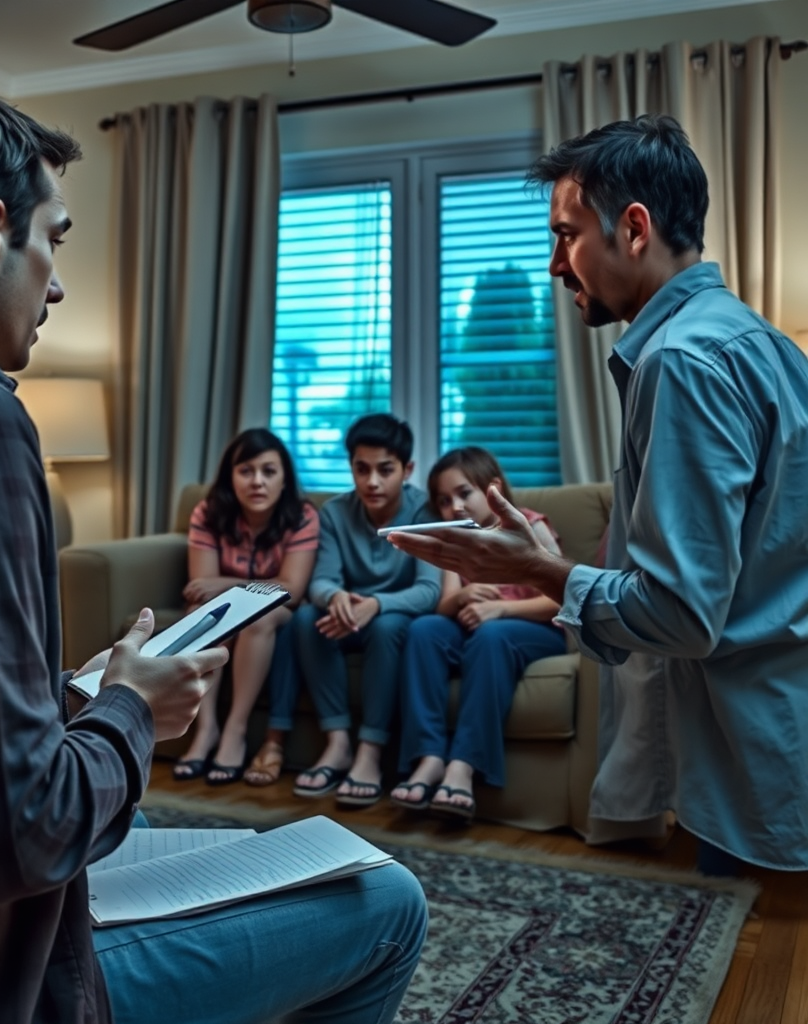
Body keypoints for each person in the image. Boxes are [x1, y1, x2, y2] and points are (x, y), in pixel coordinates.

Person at [0, 76, 428, 1024]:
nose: (56, 282)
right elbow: (15, 837)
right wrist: (132, 710)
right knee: (385, 902)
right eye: (54, 239)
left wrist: (75, 696)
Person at [386, 113, 808, 876]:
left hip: (755, 763)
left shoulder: (681, 363)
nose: (555, 263)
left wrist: (542, 569)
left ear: (635, 228)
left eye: (566, 234)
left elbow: (681, 613)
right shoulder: (765, 344)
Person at [390, 447, 566, 821]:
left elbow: (562, 599)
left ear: (493, 490)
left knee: (492, 635)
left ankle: (463, 767)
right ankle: (430, 757)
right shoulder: (454, 539)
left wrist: (500, 608)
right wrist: (465, 596)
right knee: (424, 629)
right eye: (443, 500)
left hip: (533, 631)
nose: (455, 506)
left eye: (464, 493)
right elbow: (444, 607)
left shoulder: (531, 527)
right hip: (478, 630)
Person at [291, 413, 442, 807]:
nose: (372, 481)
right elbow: (321, 580)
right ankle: (338, 741)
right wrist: (334, 598)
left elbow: (429, 590)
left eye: (385, 470)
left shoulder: (426, 512)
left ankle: (370, 751)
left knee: (387, 625)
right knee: (307, 617)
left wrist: (376, 604)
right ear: (351, 468)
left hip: (392, 620)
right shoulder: (335, 513)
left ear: (407, 470)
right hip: (347, 619)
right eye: (362, 469)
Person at [172, 427, 319, 785]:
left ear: (284, 479)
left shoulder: (302, 515)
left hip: (277, 612)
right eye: (246, 471)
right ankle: (205, 730)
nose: (257, 481)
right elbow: (200, 589)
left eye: (269, 471)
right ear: (230, 477)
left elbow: (292, 590)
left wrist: (229, 583)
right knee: (200, 615)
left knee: (257, 617)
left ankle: (235, 730)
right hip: (224, 608)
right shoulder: (208, 512)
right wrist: (225, 589)